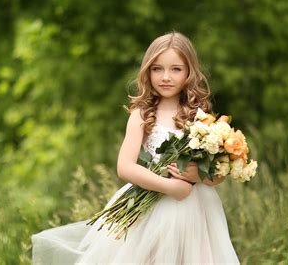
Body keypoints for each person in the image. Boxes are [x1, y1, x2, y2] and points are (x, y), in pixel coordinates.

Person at [31, 31, 240, 264]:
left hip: (198, 211)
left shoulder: (202, 118)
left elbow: (218, 174)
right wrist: (170, 187)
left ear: (189, 72)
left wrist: (199, 177)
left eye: (176, 69)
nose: (166, 77)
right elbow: (125, 167)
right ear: (147, 71)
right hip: (156, 207)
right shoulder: (142, 114)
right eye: (157, 68)